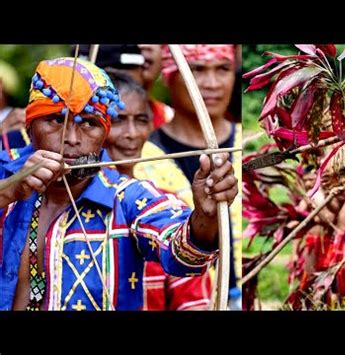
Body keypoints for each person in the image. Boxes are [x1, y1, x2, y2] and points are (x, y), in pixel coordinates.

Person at [0, 57, 238, 311]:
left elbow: (183, 251)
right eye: (57, 120)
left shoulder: (128, 198)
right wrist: (7, 191)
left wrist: (206, 215)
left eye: (90, 124)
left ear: (104, 134)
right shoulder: (6, 173)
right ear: (30, 123)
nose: (70, 139)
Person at [142, 45, 242, 308]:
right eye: (197, 69)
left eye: (222, 69)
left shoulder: (248, 142)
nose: (212, 84)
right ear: (171, 74)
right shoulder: (142, 156)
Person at [104, 71, 211, 310]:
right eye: (118, 120)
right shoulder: (68, 203)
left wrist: (206, 219)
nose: (131, 134)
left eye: (141, 120)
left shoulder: (164, 206)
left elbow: (192, 301)